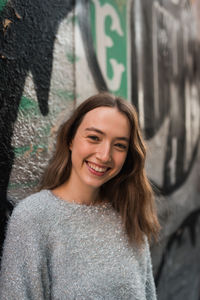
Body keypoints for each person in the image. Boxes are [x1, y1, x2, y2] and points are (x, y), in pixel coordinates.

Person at [0, 92, 160, 299]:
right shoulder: (33, 217)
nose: (104, 155)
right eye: (94, 138)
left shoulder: (127, 214)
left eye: (119, 145)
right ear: (70, 139)